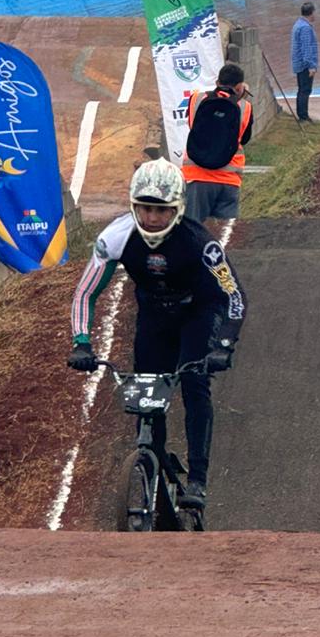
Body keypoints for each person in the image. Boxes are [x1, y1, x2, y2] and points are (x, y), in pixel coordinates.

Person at [67, 157, 246, 511]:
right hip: (154, 315)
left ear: (177, 209)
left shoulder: (200, 243)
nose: (151, 218)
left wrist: (224, 345)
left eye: (161, 211)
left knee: (195, 383)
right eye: (144, 209)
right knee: (147, 395)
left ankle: (197, 480)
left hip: (198, 311)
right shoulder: (115, 237)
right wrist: (81, 342)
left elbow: (234, 295)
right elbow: (85, 293)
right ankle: (152, 469)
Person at [183, 61, 254, 222]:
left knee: (193, 231)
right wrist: (240, 97)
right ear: (240, 86)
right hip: (228, 180)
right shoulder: (245, 107)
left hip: (196, 177)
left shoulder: (196, 99)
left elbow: (192, 125)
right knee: (225, 236)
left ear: (217, 83)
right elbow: (244, 138)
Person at [290, 1, 319, 122]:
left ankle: (302, 114)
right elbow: (307, 48)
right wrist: (311, 66)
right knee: (305, 90)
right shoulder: (305, 28)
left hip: (298, 63)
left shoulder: (298, 24)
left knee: (302, 89)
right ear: (311, 13)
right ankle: (303, 116)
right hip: (304, 65)